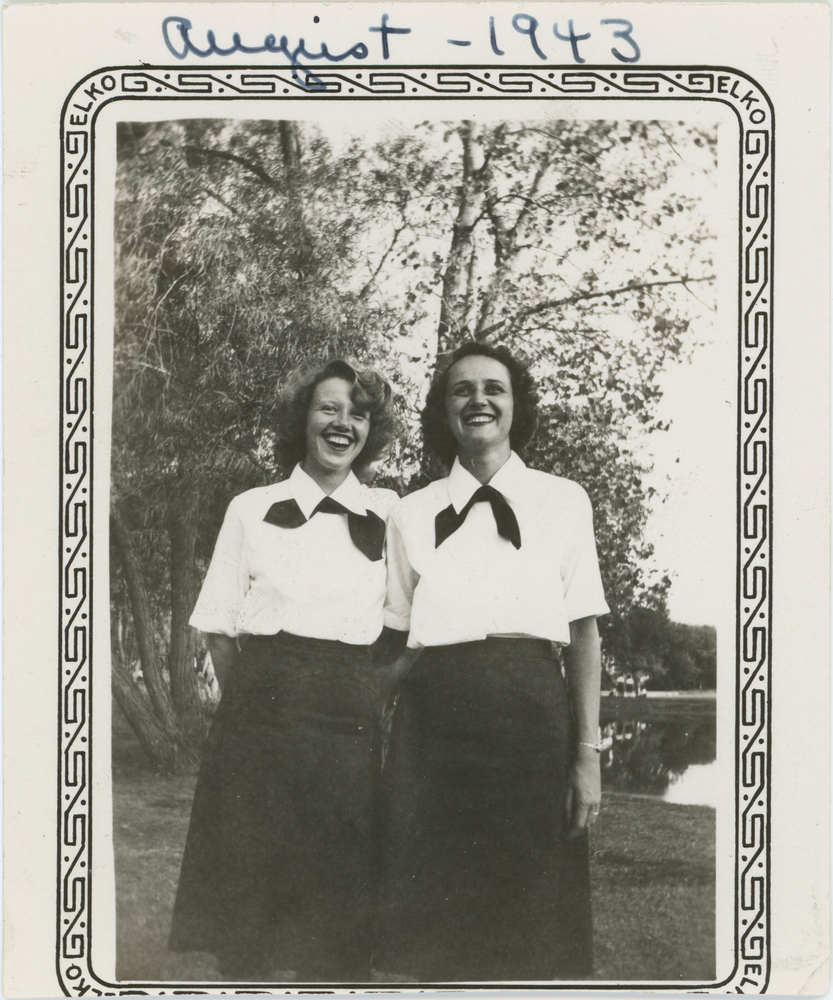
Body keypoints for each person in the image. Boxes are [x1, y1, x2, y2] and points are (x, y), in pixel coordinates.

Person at [375, 342, 609, 982]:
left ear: (516, 406)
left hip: (531, 714)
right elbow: (397, 637)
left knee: (527, 920)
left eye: (494, 388)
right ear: (443, 411)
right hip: (431, 723)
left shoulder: (565, 499)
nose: (478, 399)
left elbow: (584, 632)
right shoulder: (410, 511)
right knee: (432, 920)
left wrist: (586, 755)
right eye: (461, 390)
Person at [168, 358, 398, 983]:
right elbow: (218, 624)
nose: (342, 423)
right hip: (259, 718)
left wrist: (370, 691)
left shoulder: (389, 514)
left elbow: (407, 624)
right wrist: (257, 696)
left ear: (370, 430)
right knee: (252, 907)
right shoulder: (251, 508)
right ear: (302, 418)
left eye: (358, 413)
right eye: (328, 408)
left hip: (348, 720)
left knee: (337, 904)